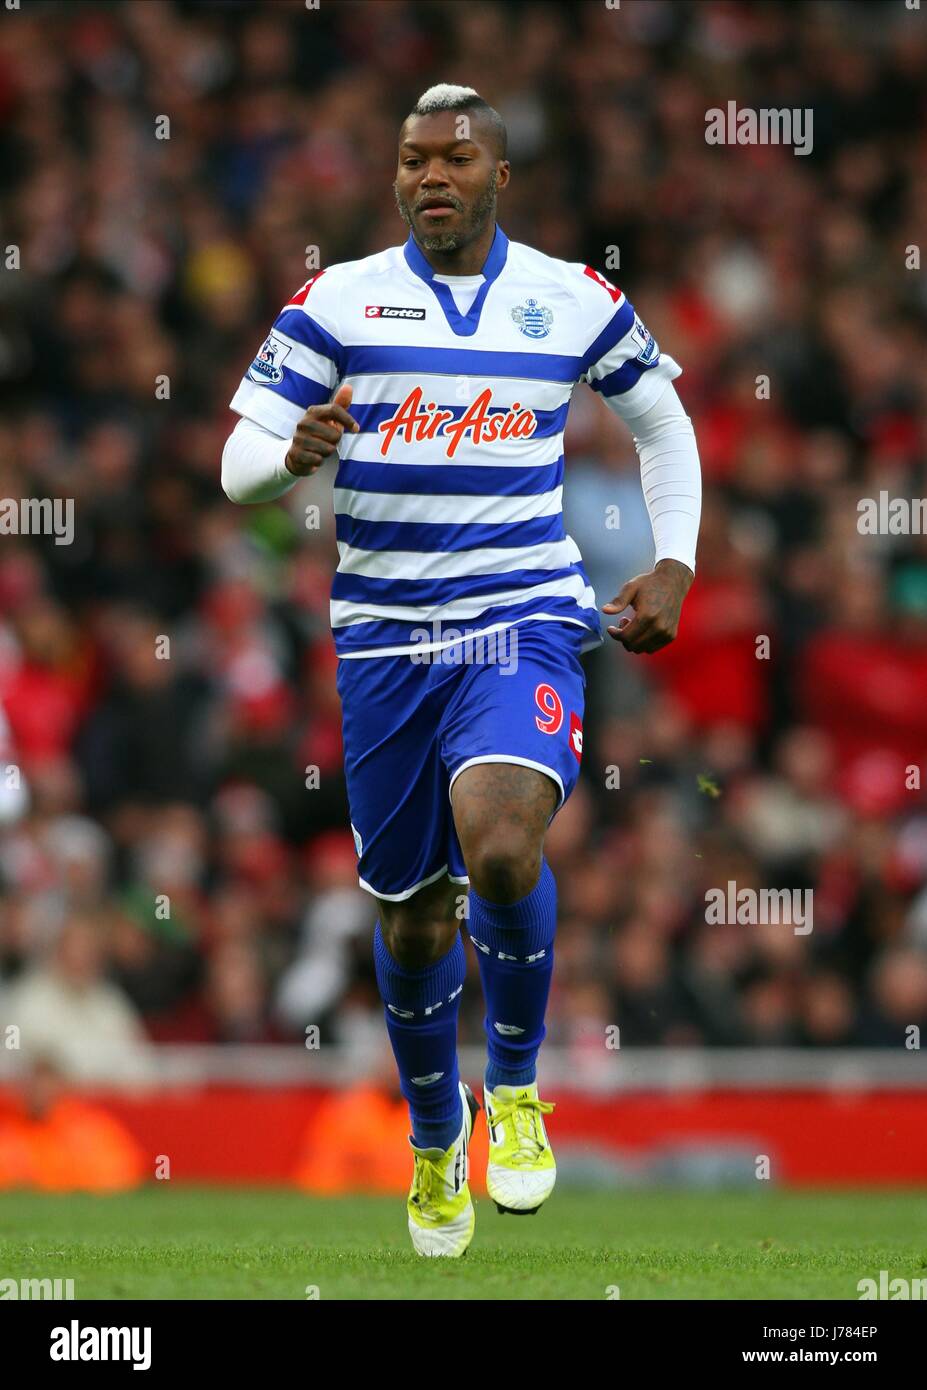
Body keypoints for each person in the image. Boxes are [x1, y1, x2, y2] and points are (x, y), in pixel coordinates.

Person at [221, 84, 701, 1257]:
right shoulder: (338, 299)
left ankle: (520, 1092)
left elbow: (662, 423)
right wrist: (288, 454)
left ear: (499, 174)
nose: (431, 176)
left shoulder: (570, 297)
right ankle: (437, 1135)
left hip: (522, 620)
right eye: (412, 159)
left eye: (454, 158)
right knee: (417, 917)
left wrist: (676, 561)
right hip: (384, 641)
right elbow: (236, 464)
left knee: (499, 841)